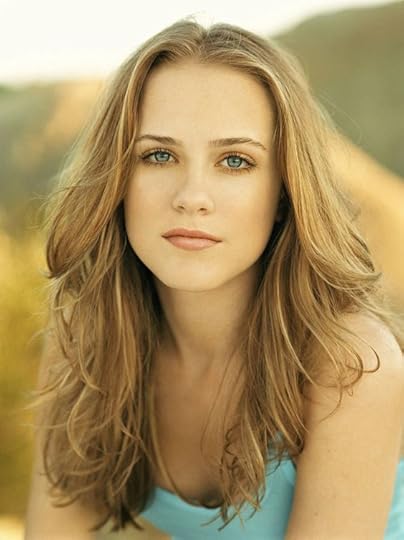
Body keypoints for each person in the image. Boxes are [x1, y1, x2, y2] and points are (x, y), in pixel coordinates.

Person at [24, 17, 404, 540]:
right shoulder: (85, 339)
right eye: (159, 155)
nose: (192, 196)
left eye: (235, 161)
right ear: (116, 180)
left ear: (284, 193)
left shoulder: (351, 364)